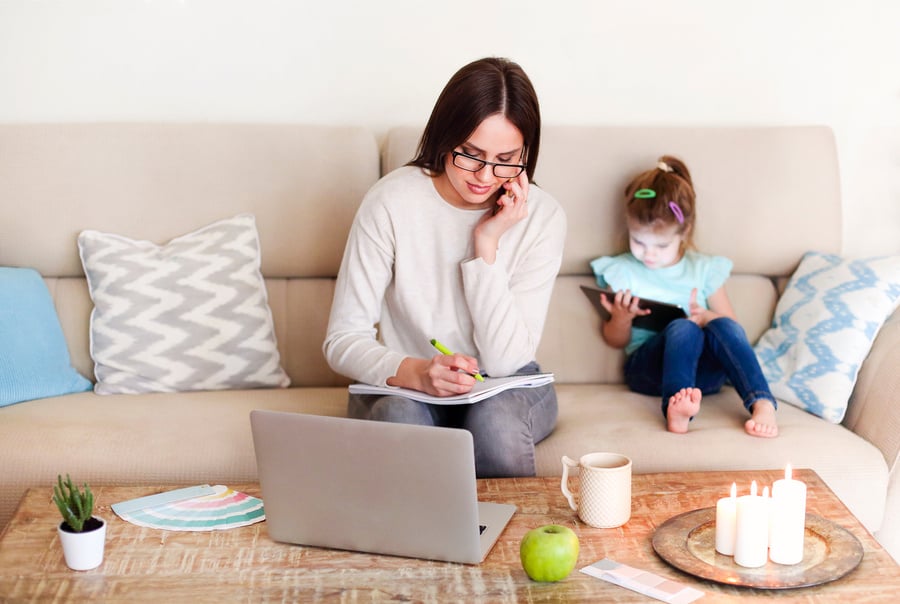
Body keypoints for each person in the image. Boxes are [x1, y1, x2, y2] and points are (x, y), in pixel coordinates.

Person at [323, 57, 567, 476]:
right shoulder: (391, 201)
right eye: (470, 155)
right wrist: (417, 372)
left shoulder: (543, 217)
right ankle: (414, 541)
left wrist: (486, 244)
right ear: (444, 136)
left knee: (497, 426)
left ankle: (506, 540)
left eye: (506, 159)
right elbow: (342, 339)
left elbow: (505, 360)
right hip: (408, 385)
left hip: (502, 384)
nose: (485, 177)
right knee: (402, 421)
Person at [589, 155, 778, 438]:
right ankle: (675, 410)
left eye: (661, 245)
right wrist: (621, 319)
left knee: (718, 325)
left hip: (706, 378)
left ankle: (762, 402)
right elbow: (614, 340)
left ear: (684, 231)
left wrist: (706, 317)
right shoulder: (623, 271)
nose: (648, 254)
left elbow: (732, 329)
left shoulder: (703, 269)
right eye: (638, 241)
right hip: (649, 372)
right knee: (682, 327)